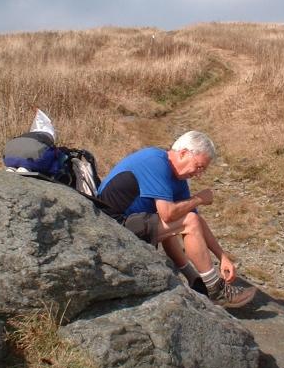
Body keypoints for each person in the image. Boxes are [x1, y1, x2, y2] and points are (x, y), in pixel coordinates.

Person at [97, 131, 256, 308]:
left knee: (185, 221)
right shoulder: (155, 161)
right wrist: (199, 198)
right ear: (183, 153)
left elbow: (196, 220)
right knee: (184, 221)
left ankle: (195, 280)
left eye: (202, 169)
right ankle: (216, 290)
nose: (199, 174)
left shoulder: (177, 178)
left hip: (127, 223)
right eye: (199, 166)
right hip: (109, 225)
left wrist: (223, 256)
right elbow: (168, 214)